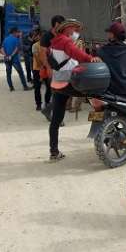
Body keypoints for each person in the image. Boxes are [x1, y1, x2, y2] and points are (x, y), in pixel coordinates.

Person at [47, 19, 101, 161]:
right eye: (75, 29)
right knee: (98, 98)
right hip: (69, 82)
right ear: (68, 29)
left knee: (56, 120)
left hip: (57, 83)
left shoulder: (54, 42)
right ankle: (100, 131)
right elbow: (77, 54)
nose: (76, 32)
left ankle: (54, 152)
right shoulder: (65, 41)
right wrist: (91, 59)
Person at [40, 15, 65, 120]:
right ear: (56, 24)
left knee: (61, 92)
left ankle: (49, 110)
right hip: (52, 68)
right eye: (62, 24)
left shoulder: (62, 35)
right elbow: (42, 54)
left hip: (63, 68)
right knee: (56, 92)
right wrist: (48, 68)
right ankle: (56, 117)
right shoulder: (47, 36)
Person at [1, 27, 31, 92]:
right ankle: (25, 87)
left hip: (6, 59)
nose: (19, 33)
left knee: (8, 74)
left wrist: (6, 55)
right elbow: (17, 48)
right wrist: (11, 55)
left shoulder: (5, 39)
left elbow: (2, 49)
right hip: (15, 60)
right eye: (18, 32)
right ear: (14, 32)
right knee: (21, 73)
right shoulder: (16, 39)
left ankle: (11, 88)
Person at [31, 29, 52, 111]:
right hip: (37, 69)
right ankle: (38, 104)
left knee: (49, 87)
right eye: (41, 36)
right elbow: (37, 58)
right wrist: (44, 66)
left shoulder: (49, 46)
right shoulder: (35, 46)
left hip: (47, 69)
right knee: (37, 87)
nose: (43, 38)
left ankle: (47, 102)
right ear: (38, 36)